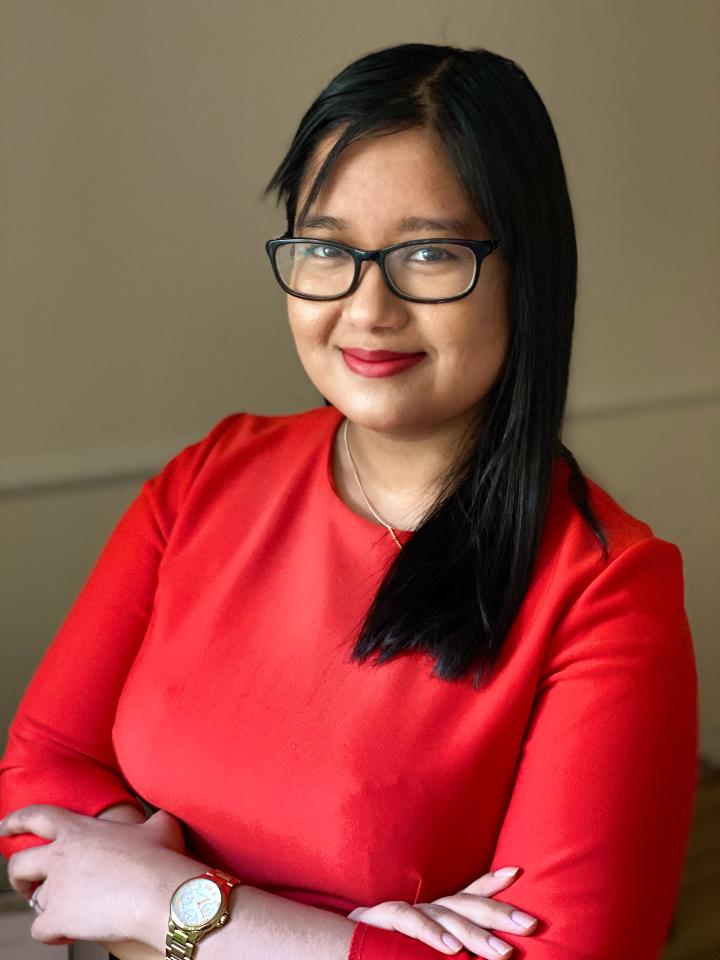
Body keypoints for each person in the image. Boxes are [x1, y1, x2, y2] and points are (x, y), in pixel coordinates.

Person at [0, 42, 698, 960]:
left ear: (527, 272)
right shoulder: (208, 477)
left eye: (429, 253)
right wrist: (339, 938)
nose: (368, 309)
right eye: (328, 249)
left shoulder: (607, 588)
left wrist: (159, 900)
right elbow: (41, 769)